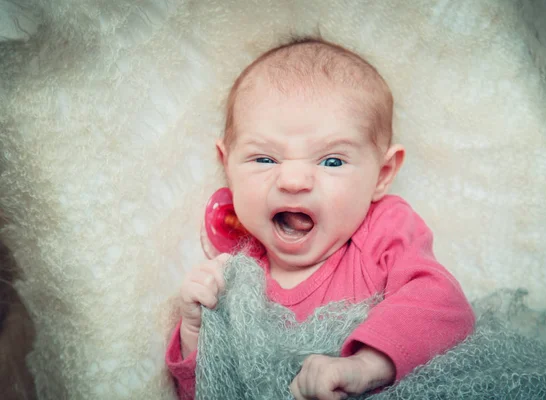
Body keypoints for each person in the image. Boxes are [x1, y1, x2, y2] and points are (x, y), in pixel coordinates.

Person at [165, 37, 475, 400]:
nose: (293, 181)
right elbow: (215, 390)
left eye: (332, 161)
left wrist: (366, 366)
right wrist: (195, 331)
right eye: (264, 159)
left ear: (382, 173)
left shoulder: (384, 230)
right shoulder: (235, 278)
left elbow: (443, 304)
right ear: (227, 166)